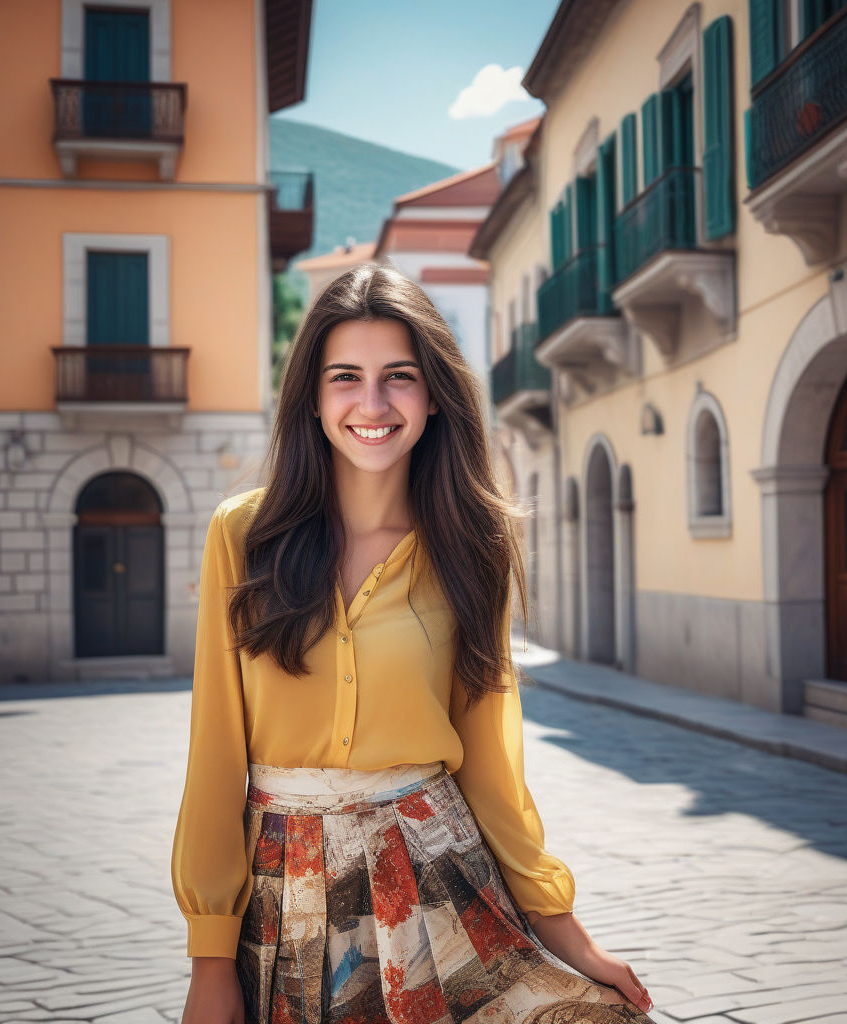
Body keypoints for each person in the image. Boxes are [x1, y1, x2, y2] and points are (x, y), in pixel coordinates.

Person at [171, 263, 656, 1024]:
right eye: (345, 378)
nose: (372, 403)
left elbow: (492, 766)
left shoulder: (471, 545)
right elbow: (214, 755)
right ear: (312, 399)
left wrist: (572, 937)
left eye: (399, 376)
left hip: (438, 882)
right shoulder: (243, 535)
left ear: (433, 397)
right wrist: (209, 960)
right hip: (281, 898)